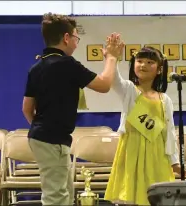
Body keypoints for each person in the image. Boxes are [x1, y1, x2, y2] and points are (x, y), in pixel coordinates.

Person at [22, 12, 124, 206]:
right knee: (56, 197)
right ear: (66, 38)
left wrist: (41, 129)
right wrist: (111, 57)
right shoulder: (67, 64)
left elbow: (27, 108)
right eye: (76, 37)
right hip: (52, 139)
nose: (77, 42)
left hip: (42, 137)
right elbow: (103, 85)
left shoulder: (36, 67)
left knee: (65, 194)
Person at [103, 46, 186, 205]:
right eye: (139, 61)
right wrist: (112, 58)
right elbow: (115, 80)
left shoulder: (165, 99)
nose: (143, 65)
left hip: (158, 154)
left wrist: (175, 163)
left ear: (159, 69)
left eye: (150, 62)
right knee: (132, 197)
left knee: (157, 198)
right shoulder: (129, 91)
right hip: (132, 151)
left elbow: (169, 133)